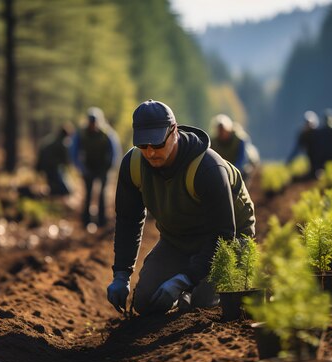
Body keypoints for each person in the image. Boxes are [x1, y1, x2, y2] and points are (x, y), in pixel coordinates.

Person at [107, 100, 256, 315]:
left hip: (227, 242)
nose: (150, 152)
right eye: (143, 145)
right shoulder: (133, 165)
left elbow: (223, 233)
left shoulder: (207, 167)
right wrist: (121, 274)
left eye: (157, 144)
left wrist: (184, 279)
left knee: (201, 304)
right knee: (146, 302)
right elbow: (128, 220)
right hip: (178, 239)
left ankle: (199, 289)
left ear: (173, 131)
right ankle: (186, 287)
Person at [71, 107, 120, 228]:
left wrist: (110, 167)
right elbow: (73, 151)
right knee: (88, 193)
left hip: (103, 167)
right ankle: (86, 220)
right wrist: (80, 167)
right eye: (91, 121)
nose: (93, 124)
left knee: (102, 193)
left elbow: (114, 151)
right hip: (88, 167)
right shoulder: (81, 134)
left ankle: (102, 221)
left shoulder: (107, 133)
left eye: (95, 121)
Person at [210, 114, 258, 183]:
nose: (221, 133)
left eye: (223, 130)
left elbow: (242, 160)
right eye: (219, 130)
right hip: (226, 169)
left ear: (229, 129)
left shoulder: (240, 140)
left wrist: (230, 173)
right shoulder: (213, 143)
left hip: (244, 167)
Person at [35, 125, 73, 196]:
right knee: (63, 189)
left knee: (53, 184)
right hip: (53, 168)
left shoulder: (49, 139)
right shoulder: (62, 143)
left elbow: (41, 153)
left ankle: (48, 195)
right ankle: (51, 197)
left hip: (45, 166)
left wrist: (38, 168)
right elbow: (65, 160)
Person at [286, 110, 319, 176]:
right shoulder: (303, 135)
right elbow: (296, 150)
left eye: (310, 123)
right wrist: (289, 161)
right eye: (307, 123)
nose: (308, 125)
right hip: (311, 158)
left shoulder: (320, 134)